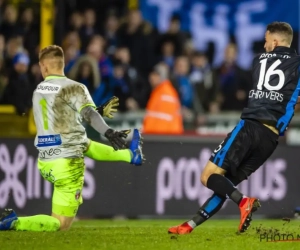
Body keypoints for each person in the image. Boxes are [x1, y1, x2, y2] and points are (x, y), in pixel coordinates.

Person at [168, 22, 300, 234]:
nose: (265, 45)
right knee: (226, 185)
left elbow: (269, 88)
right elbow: (287, 95)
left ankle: (244, 202)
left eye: (267, 41)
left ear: (275, 42)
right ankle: (190, 225)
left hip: (250, 126)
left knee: (208, 177)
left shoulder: (259, 60)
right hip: (270, 140)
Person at [0, 45, 144, 232]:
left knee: (83, 143)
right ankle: (14, 222)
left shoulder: (38, 90)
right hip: (67, 165)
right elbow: (88, 115)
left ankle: (131, 155)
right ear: (63, 64)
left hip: (46, 161)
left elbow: (66, 114)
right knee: (61, 225)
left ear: (44, 67)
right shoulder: (74, 88)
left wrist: (97, 111)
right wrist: (108, 131)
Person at [143, 63, 183, 134]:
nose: (151, 77)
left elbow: (162, 121)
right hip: (159, 136)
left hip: (163, 138)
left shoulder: (165, 93)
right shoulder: (159, 92)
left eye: (155, 75)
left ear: (161, 76)